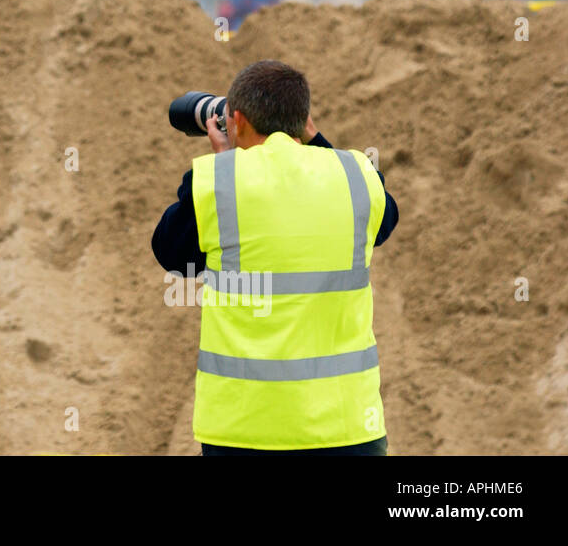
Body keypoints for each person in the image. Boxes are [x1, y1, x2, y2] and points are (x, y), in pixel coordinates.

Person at [152, 60, 399, 455]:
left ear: (237, 120)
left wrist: (224, 164)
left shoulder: (221, 181)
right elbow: (385, 220)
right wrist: (317, 141)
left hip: (245, 433)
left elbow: (170, 252)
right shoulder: (356, 176)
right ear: (304, 121)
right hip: (348, 429)